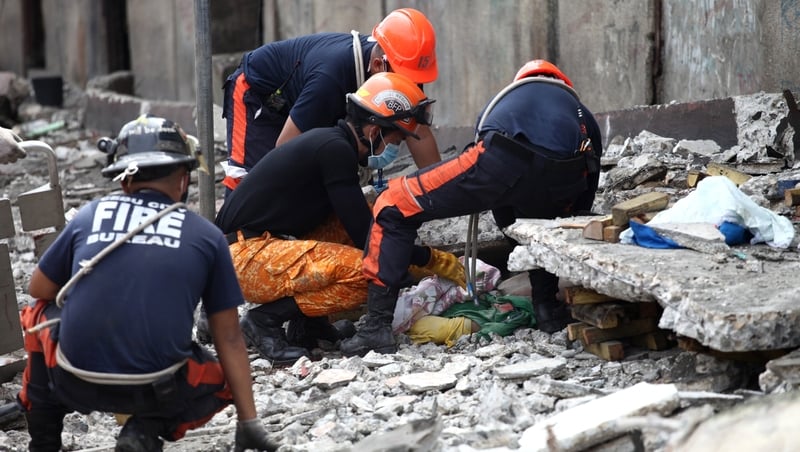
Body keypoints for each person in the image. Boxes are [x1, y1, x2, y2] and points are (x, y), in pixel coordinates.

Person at [16, 115, 277, 452]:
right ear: (183, 180)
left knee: (37, 315)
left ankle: (44, 442)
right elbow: (229, 336)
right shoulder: (208, 237)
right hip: (157, 388)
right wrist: (248, 421)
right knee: (224, 375)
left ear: (124, 180)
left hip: (73, 379)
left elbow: (39, 290)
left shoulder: (89, 214)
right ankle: (144, 429)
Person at [341, 59, 603, 357]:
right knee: (538, 224)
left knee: (393, 203)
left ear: (521, 80)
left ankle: (376, 327)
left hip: (502, 160)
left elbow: (485, 155)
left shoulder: (506, 100)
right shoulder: (583, 117)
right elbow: (583, 197)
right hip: (565, 174)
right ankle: (548, 310)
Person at [214, 72, 460, 365]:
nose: (396, 148)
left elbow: (359, 223)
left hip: (248, 251)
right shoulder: (335, 150)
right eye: (396, 139)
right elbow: (366, 239)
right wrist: (427, 259)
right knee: (367, 274)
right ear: (373, 132)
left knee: (370, 223)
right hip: (241, 258)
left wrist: (409, 257)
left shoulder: (330, 144)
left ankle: (310, 326)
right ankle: (262, 321)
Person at [221, 7, 441, 193]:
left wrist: (441, 191)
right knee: (254, 182)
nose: (410, 89)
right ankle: (230, 241)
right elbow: (285, 148)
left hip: (305, 99)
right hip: (259, 95)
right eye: (408, 83)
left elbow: (418, 130)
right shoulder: (331, 79)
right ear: (377, 65)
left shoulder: (402, 71)